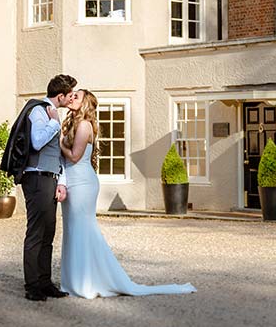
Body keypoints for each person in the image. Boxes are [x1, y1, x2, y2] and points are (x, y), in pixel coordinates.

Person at [58, 89, 196, 299]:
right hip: (73, 180)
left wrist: (59, 143)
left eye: (76, 96)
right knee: (72, 229)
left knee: (81, 228)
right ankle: (74, 280)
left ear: (84, 103)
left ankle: (85, 282)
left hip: (82, 183)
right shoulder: (75, 124)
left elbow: (75, 156)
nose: (71, 97)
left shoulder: (85, 125)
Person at [1, 74, 77, 301]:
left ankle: (45, 282)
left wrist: (61, 181)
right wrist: (54, 122)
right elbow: (36, 141)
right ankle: (32, 285)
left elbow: (56, 152)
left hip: (50, 179)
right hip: (36, 179)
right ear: (60, 96)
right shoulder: (39, 110)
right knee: (36, 232)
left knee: (48, 232)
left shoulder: (52, 113)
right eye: (70, 93)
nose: (72, 97)